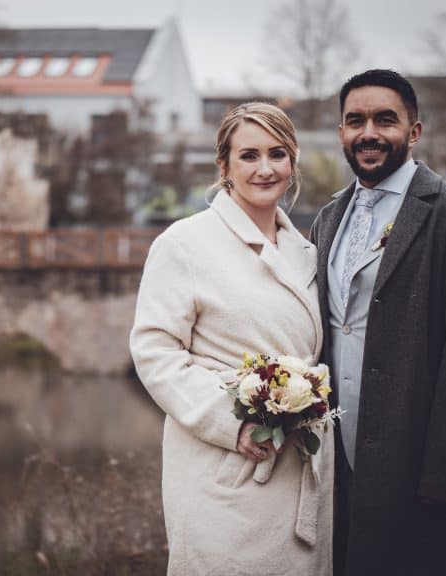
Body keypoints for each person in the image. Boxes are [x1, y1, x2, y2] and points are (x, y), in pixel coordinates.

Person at [130, 102, 333, 575]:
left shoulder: (307, 253)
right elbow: (155, 352)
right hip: (224, 466)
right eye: (249, 155)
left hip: (300, 465)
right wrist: (233, 424)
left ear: (293, 162)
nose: (265, 169)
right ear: (223, 165)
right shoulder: (184, 244)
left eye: (278, 154)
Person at [309, 69, 446, 576]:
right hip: (338, 470)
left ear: (414, 131)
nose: (368, 132)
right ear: (342, 132)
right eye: (355, 121)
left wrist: (441, 483)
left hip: (416, 473)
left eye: (384, 119)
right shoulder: (329, 217)